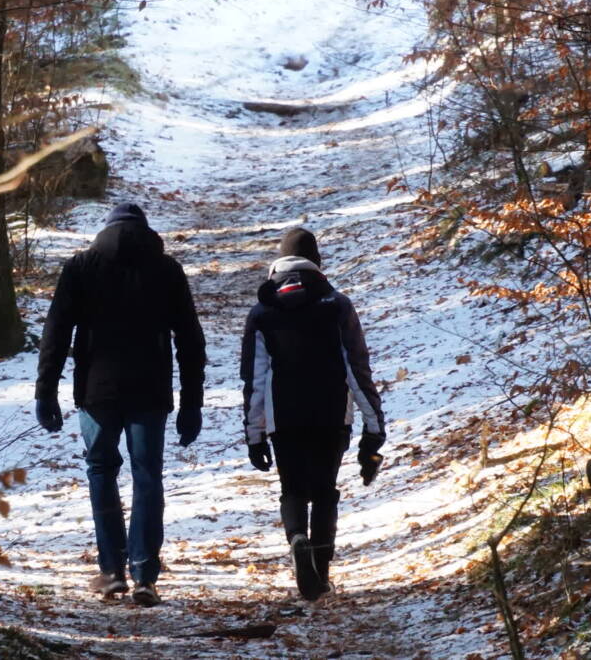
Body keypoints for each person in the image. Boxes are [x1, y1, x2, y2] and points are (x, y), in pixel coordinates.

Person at [34, 203, 205, 606]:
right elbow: (190, 341)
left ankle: (111, 571)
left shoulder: (81, 268)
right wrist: (191, 403)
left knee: (100, 470)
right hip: (150, 391)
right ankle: (145, 575)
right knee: (147, 475)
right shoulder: (166, 270)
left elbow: (55, 332)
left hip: (98, 392)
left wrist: (46, 391)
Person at [240, 227, 385, 601]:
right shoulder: (336, 305)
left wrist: (254, 434)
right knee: (323, 492)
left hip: (282, 418)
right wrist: (374, 429)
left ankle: (297, 540)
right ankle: (319, 574)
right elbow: (357, 369)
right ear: (317, 263)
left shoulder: (262, 312)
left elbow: (255, 379)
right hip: (331, 414)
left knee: (292, 488)